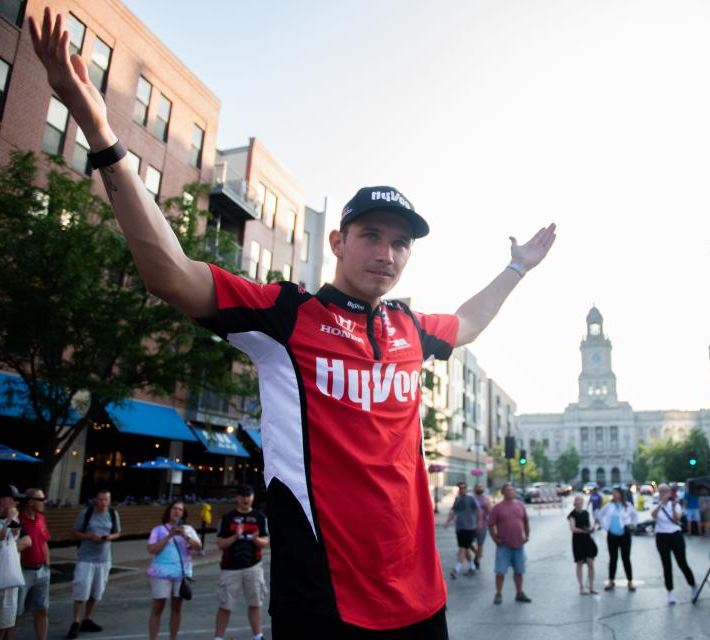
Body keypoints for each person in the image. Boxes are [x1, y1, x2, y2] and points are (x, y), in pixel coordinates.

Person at [30, 10, 555, 637]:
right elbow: (169, 273)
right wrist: (98, 128)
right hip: (321, 601)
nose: (386, 253)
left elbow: (468, 321)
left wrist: (516, 269)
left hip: (421, 599)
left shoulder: (410, 328)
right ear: (337, 240)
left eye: (400, 243)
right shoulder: (286, 315)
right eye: (370, 236)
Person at [214, 484, 269, 640]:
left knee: (255, 603)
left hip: (253, 566)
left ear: (253, 497)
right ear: (237, 498)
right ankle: (218, 637)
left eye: (249, 495)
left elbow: (265, 542)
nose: (246, 499)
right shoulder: (227, 518)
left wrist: (255, 539)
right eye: (242, 496)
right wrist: (235, 537)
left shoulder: (260, 518)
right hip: (230, 568)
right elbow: (219, 544)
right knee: (225, 605)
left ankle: (258, 636)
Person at [68, 489, 121, 639]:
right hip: (86, 557)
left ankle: (87, 619)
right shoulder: (87, 513)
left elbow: (118, 532)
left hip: (104, 559)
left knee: (96, 591)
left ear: (109, 500)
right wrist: (89, 536)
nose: (103, 503)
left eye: (106, 500)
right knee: (81, 589)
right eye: (101, 499)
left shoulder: (112, 514)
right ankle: (75, 621)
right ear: (95, 500)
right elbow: (75, 532)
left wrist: (110, 536)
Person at [147, 500, 202, 640]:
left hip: (180, 573)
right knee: (158, 608)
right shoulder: (158, 530)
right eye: (174, 509)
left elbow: (198, 547)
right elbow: (152, 549)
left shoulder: (188, 529)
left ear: (183, 514)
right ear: (169, 511)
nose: (177, 511)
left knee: (177, 608)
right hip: (160, 573)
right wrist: (169, 536)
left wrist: (185, 536)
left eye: (180, 510)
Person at [0, 484, 32, 640]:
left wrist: (8, 552)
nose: (16, 504)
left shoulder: (15, 518)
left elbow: (27, 541)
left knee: (4, 624)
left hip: (9, 581)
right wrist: (8, 552)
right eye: (14, 500)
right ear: (1, 500)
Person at [650, 483, 697, 605]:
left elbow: (677, 519)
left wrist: (673, 505)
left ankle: (692, 585)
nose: (664, 493)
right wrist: (661, 504)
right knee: (666, 565)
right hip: (661, 536)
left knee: (682, 562)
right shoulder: (657, 504)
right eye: (661, 491)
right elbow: (653, 515)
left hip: (675, 534)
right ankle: (670, 592)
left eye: (666, 491)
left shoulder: (675, 504)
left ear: (670, 492)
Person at [488, 484, 532, 605]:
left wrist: (527, 535)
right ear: (503, 492)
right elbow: (490, 525)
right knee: (500, 571)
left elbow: (526, 521)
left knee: (519, 571)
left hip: (519, 544)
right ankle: (498, 593)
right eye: (507, 490)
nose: (510, 492)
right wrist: (495, 540)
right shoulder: (497, 508)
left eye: (512, 490)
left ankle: (519, 593)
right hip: (504, 545)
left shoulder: (520, 505)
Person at [18, 488, 51, 640]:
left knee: (41, 610)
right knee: (15, 614)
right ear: (30, 502)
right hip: (23, 571)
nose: (44, 502)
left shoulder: (40, 518)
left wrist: (47, 565)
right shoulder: (17, 520)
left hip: (41, 571)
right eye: (40, 499)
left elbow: (44, 541)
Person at [599, 486, 637, 592]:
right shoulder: (609, 506)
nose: (615, 494)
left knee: (626, 558)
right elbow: (600, 515)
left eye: (616, 492)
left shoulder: (627, 506)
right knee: (613, 558)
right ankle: (611, 581)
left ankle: (630, 581)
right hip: (612, 535)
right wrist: (605, 526)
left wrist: (633, 526)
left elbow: (635, 516)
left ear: (621, 494)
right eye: (613, 493)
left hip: (625, 535)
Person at [444, 482, 481, 578]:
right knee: (466, 548)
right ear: (458, 489)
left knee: (462, 549)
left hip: (469, 528)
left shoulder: (471, 498)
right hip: (459, 528)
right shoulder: (457, 499)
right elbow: (453, 511)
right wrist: (448, 522)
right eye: (460, 488)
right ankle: (473, 567)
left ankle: (456, 569)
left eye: (464, 488)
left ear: (466, 489)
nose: (462, 489)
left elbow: (478, 510)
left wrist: (478, 523)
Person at [567, 495, 598, 595]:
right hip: (578, 540)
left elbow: (589, 524)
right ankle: (581, 587)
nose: (580, 503)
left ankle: (591, 586)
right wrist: (584, 531)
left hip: (587, 540)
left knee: (590, 563)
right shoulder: (572, 515)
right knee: (579, 562)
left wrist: (592, 527)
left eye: (581, 501)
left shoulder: (586, 513)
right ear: (575, 503)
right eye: (578, 501)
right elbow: (573, 529)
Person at [472, 484, 493, 571]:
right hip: (471, 524)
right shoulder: (471, 498)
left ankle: (477, 560)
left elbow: (490, 511)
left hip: (483, 525)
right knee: (467, 542)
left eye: (481, 487)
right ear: (474, 488)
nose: (479, 488)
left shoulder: (486, 499)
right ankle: (478, 553)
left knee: (480, 543)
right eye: (477, 487)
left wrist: (492, 523)